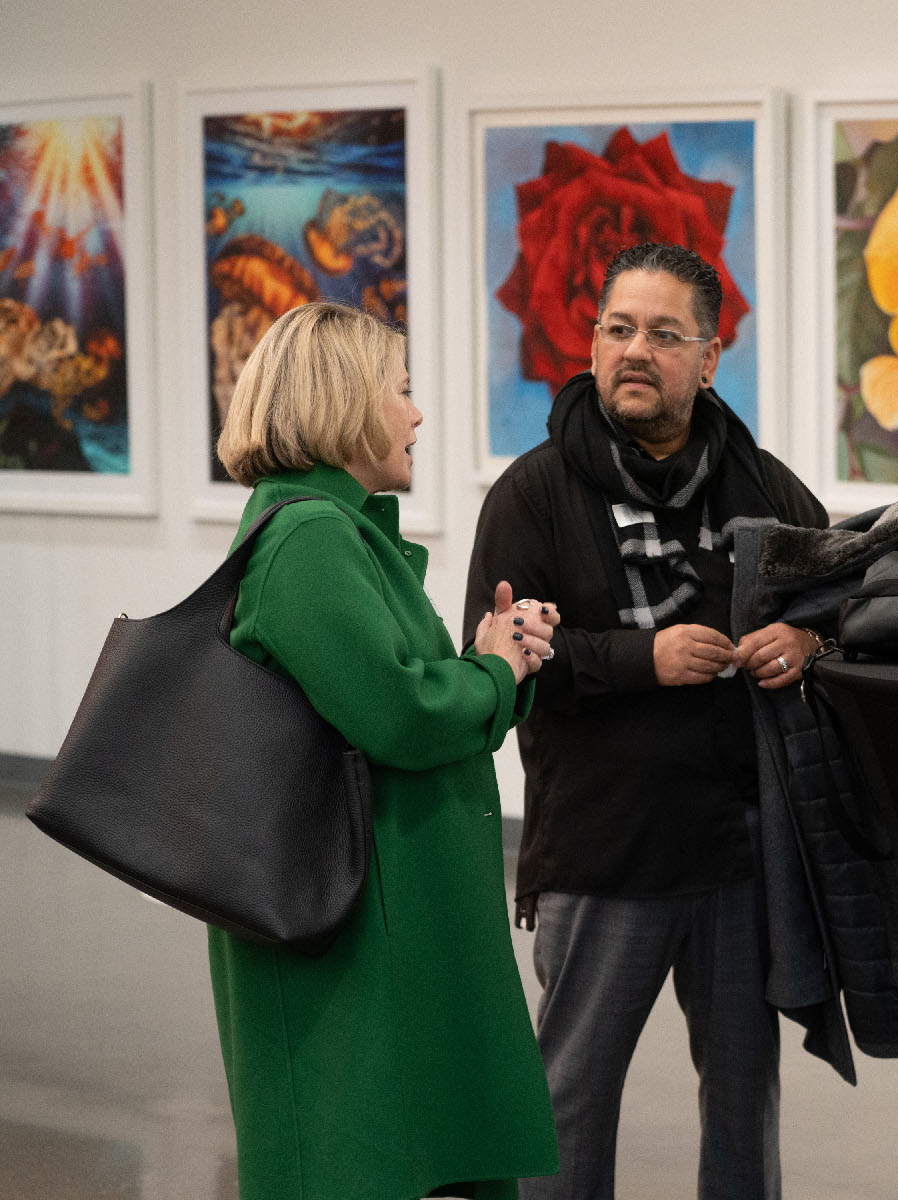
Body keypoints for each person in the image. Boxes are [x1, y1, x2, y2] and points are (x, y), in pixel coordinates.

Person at [463, 242, 828, 1200]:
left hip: (736, 853)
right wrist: (645, 657)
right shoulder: (535, 493)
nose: (636, 350)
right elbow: (498, 659)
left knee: (745, 1103)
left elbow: (846, 600)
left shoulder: (760, 485)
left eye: (664, 335)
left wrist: (806, 639)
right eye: (618, 329)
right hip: (603, 850)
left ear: (710, 358)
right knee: (568, 1104)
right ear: (589, 346)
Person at [211, 301, 561, 1199]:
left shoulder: (335, 532)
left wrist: (491, 656)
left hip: (382, 912)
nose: (415, 413)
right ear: (343, 402)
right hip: (356, 925)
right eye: (401, 390)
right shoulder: (310, 539)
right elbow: (398, 714)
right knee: (352, 1156)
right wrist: (491, 674)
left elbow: (384, 688)